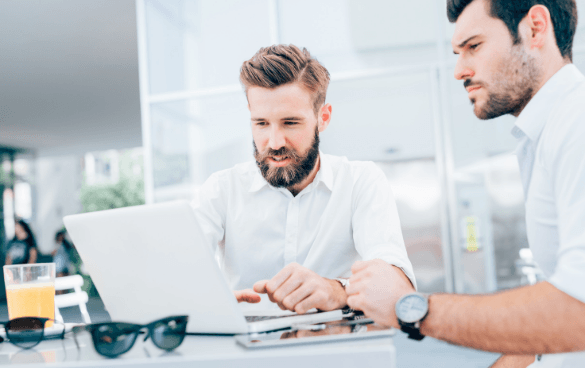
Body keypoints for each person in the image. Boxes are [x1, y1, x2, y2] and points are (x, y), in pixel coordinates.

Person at [347, 1, 585, 367]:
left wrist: (410, 308)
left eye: (473, 47)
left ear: (535, 28)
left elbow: (577, 312)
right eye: (457, 53)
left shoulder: (576, 126)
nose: (459, 70)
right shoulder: (543, 134)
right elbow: (548, 333)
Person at [192, 44, 415, 314]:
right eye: (261, 123)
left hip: (341, 351)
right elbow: (178, 274)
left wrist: (337, 290)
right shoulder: (221, 191)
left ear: (323, 118)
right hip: (248, 349)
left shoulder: (360, 182)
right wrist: (211, 302)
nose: (274, 143)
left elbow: (399, 288)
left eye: (290, 123)